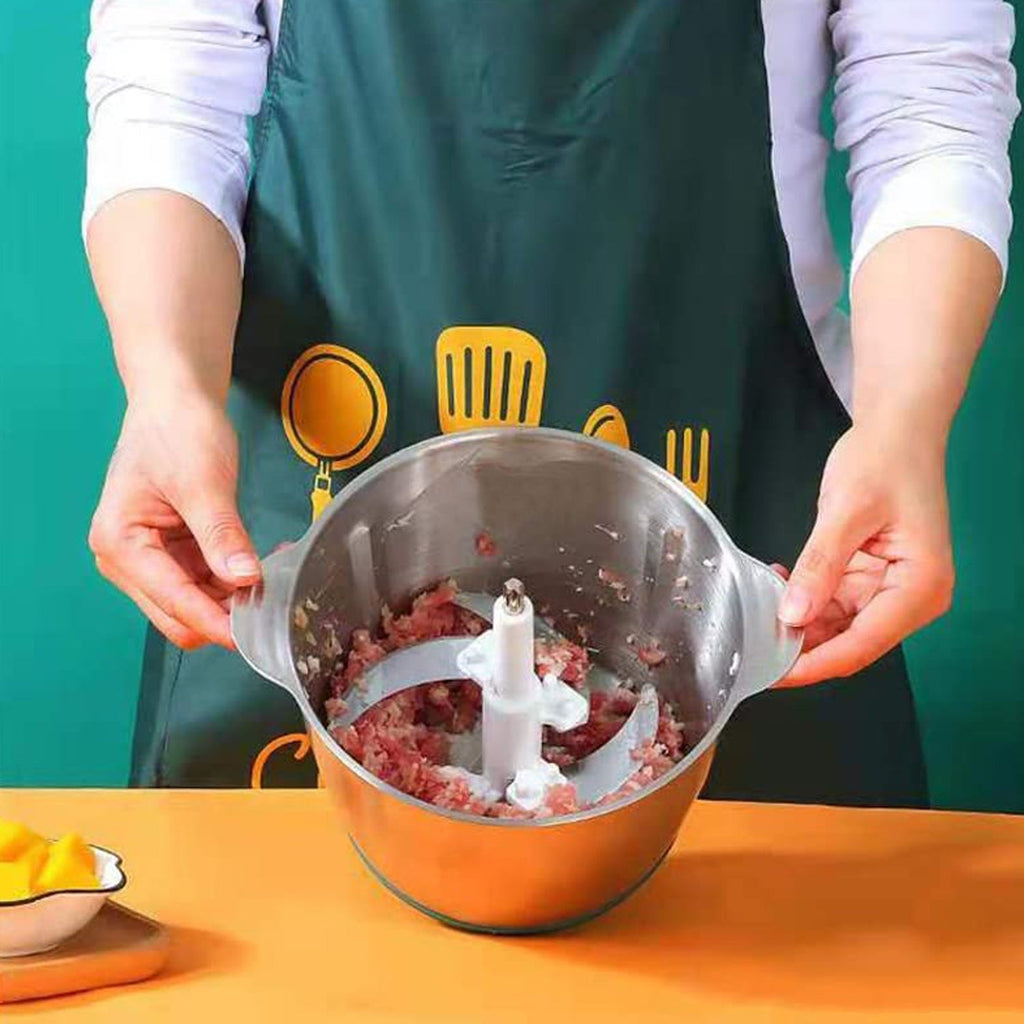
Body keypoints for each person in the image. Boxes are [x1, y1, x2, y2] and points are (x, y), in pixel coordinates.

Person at [83, 0, 1018, 798]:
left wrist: (904, 423)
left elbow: (929, 105)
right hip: (313, 508)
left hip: (735, 509)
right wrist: (166, 384)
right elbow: (170, 85)